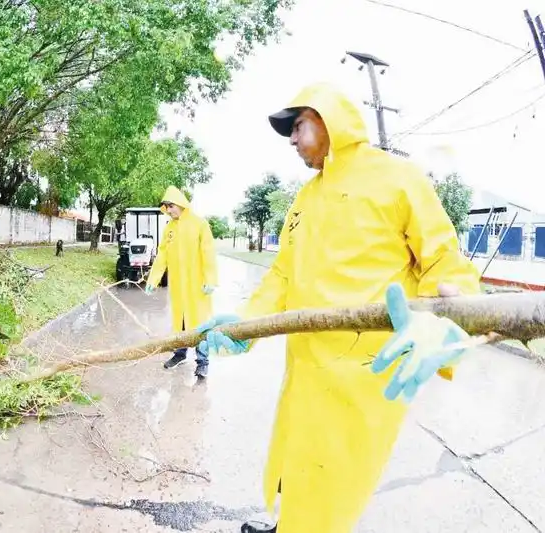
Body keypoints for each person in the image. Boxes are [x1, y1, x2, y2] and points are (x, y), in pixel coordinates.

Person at [196, 82, 481, 533]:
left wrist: (447, 320)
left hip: (361, 375)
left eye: (298, 125)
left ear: (330, 119)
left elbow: (445, 261)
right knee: (297, 467)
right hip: (306, 370)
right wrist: (246, 325)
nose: (291, 139)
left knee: (332, 492)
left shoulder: (397, 179)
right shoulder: (305, 199)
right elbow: (283, 276)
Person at [145, 185, 218, 379]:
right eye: (166, 207)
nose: (168, 210)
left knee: (200, 325)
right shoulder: (169, 229)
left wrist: (210, 279)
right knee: (180, 323)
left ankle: (203, 362)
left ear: (180, 203)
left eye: (171, 206)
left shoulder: (199, 224)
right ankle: (180, 354)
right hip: (178, 287)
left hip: (197, 287)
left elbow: (208, 252)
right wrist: (153, 278)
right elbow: (162, 256)